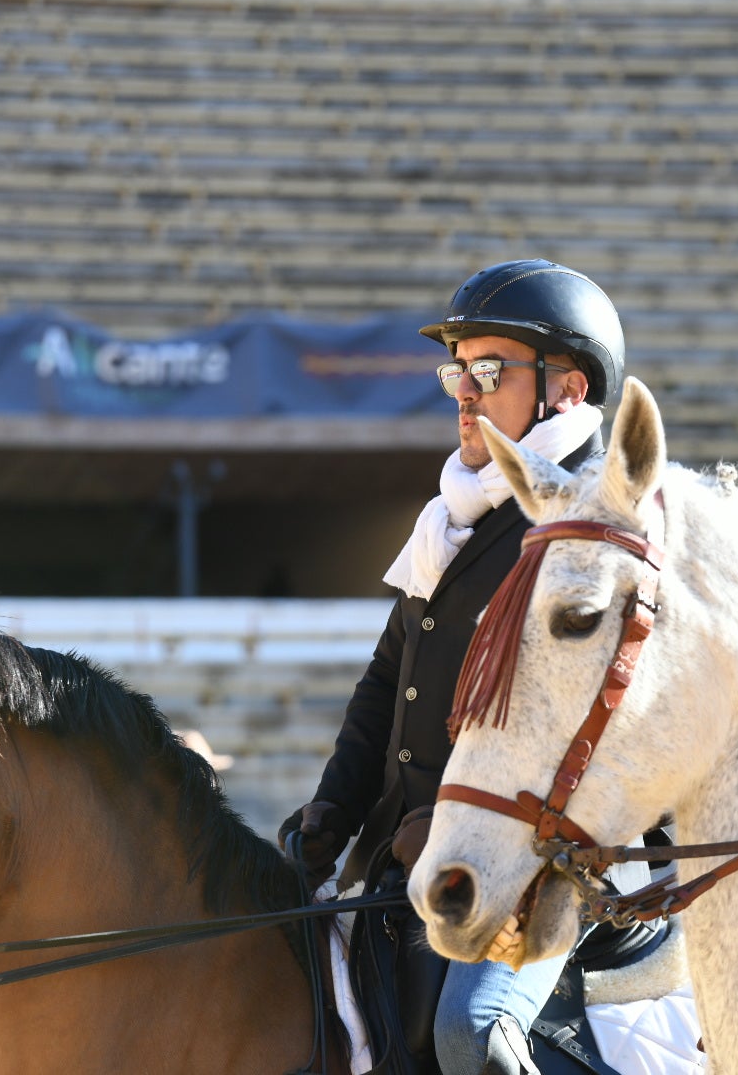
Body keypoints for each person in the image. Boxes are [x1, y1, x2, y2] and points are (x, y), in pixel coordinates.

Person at [282, 259, 633, 1075]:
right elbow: (386, 683)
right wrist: (331, 814)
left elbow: (590, 718)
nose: (463, 393)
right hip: (416, 857)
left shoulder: (587, 522)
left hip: (551, 869)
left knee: (473, 1040)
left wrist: (452, 822)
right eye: (457, 371)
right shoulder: (452, 518)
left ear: (569, 391)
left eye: (488, 369)